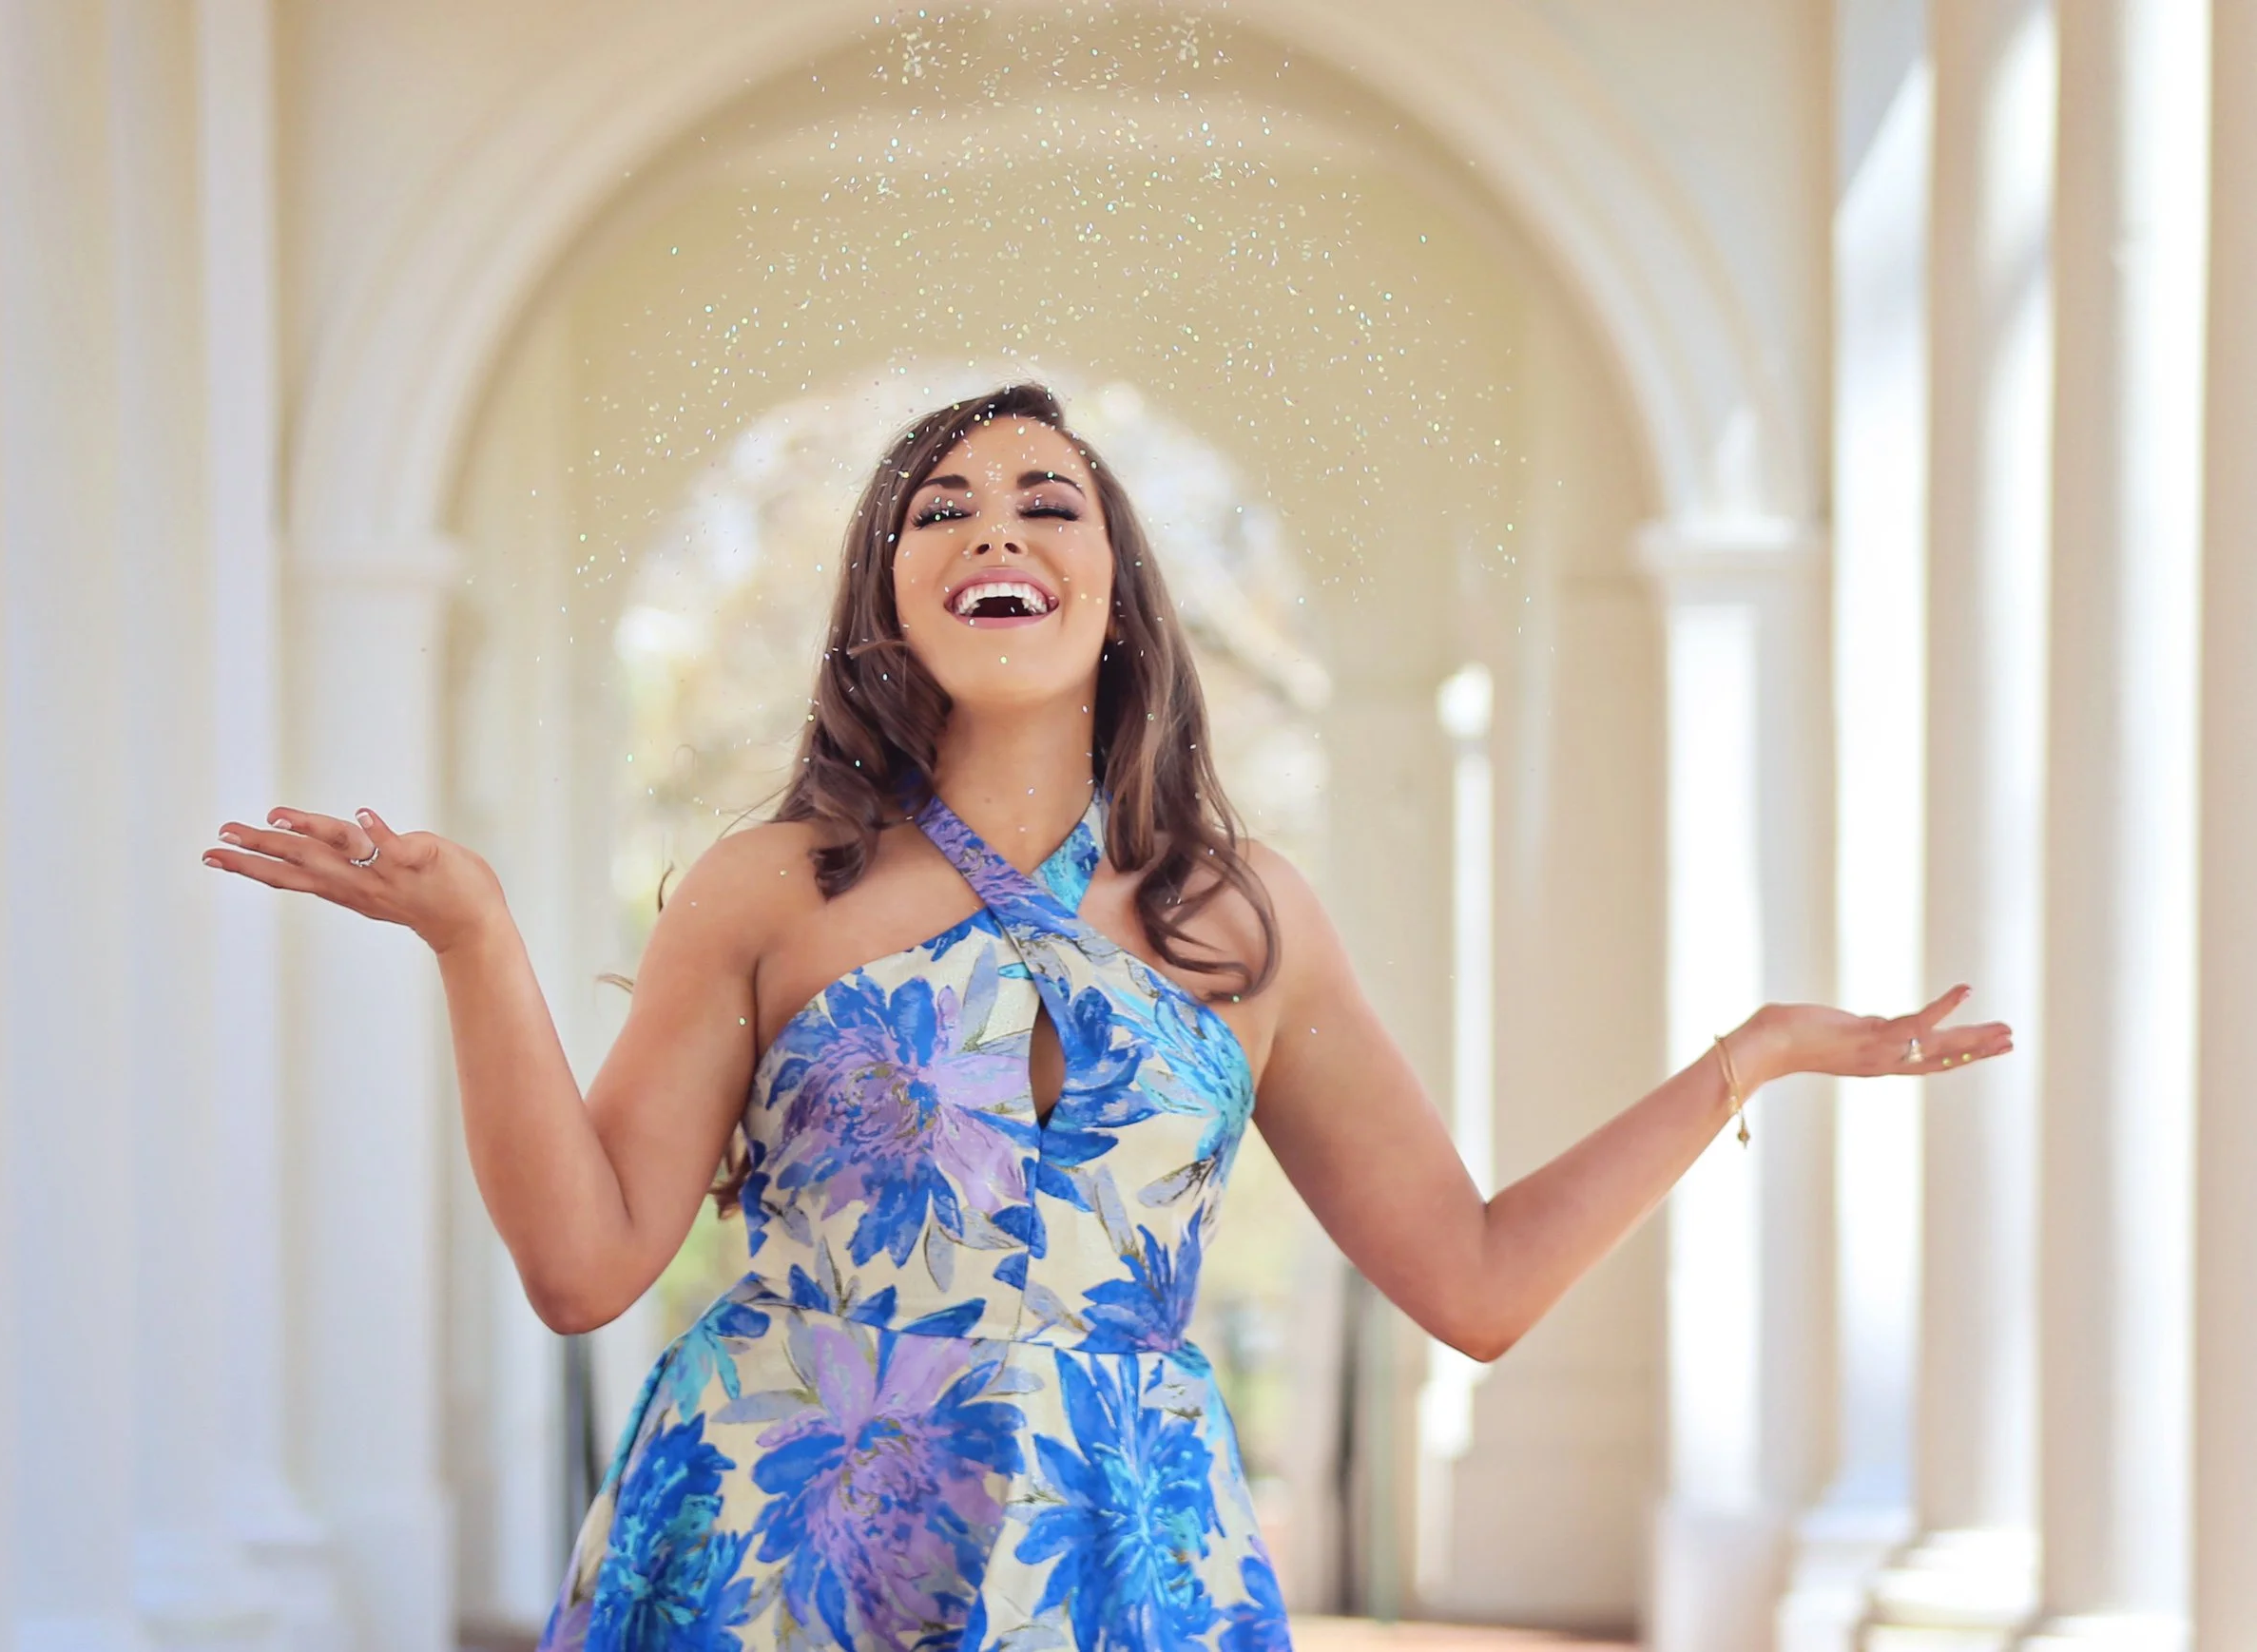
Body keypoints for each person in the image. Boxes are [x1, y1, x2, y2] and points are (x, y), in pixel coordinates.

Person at [203, 382, 2011, 1651]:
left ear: (1118, 598)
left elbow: (1475, 1279)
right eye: (941, 510)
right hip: (776, 1536)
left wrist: (1749, 1059)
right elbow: (584, 1265)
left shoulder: (1243, 918)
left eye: (1044, 502)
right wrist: (474, 935)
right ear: (889, 601)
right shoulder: (769, 889)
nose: (993, 526)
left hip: (1109, 1551)